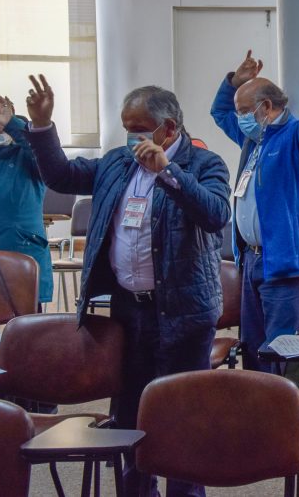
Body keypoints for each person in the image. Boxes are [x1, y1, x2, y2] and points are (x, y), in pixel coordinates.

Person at [24, 74, 230, 497]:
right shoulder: (117, 162)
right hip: (128, 312)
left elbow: (215, 214)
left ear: (168, 128)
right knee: (130, 415)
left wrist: (168, 171)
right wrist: (42, 126)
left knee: (181, 415)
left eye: (139, 128)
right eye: (127, 127)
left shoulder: (204, 164)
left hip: (185, 313)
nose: (132, 136)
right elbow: (61, 176)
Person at [210, 35, 299, 373]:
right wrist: (233, 82)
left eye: (244, 111)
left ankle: (285, 410)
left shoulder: (296, 137)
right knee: (253, 350)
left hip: (285, 262)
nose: (239, 118)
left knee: (280, 352)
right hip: (251, 259)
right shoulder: (253, 138)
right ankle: (257, 408)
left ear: (266, 107)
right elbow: (219, 112)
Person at [0, 95, 53, 306]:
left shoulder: (28, 154)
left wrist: (15, 125)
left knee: (24, 320)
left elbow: (48, 156)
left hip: (20, 250)